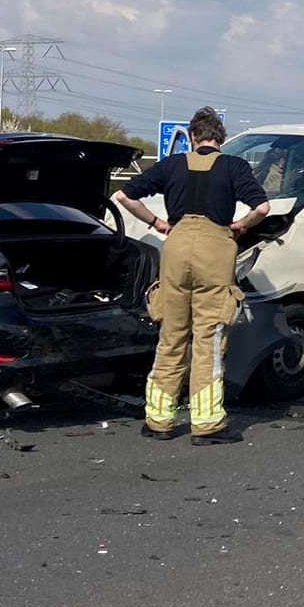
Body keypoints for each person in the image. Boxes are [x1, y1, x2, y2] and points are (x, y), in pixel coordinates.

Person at [115, 107, 270, 445]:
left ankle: (158, 420)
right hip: (216, 247)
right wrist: (241, 226)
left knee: (171, 335)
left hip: (177, 246)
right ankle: (207, 423)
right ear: (221, 139)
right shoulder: (233, 166)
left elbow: (124, 195)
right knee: (209, 339)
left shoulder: (173, 164)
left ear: (193, 137)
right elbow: (262, 208)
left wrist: (157, 224)